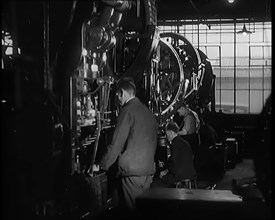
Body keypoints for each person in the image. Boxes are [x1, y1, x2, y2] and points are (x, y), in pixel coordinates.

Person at [94, 78, 158, 212]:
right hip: (147, 171)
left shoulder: (127, 111)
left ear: (122, 93)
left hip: (132, 172)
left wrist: (102, 165)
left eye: (117, 96)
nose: (118, 100)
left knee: (133, 211)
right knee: (143, 210)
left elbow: (116, 143)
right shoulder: (148, 112)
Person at [151, 121, 196, 188]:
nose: (166, 136)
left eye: (167, 134)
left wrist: (165, 171)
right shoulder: (183, 142)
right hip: (191, 172)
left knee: (157, 181)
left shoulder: (175, 143)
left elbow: (173, 162)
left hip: (181, 174)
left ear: (171, 132)